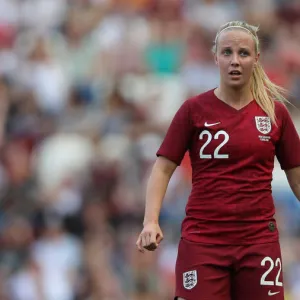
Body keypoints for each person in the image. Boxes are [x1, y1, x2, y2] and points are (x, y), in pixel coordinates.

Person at [136, 20, 300, 300]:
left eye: (243, 54)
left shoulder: (275, 115)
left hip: (258, 242)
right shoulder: (193, 110)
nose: (235, 61)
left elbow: (297, 175)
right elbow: (163, 169)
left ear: (256, 59)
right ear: (215, 57)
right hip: (203, 242)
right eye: (227, 53)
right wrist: (150, 221)